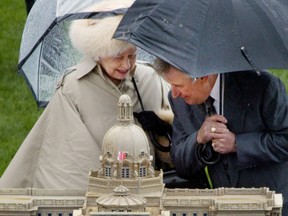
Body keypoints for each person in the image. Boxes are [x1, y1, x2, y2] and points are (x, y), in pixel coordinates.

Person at [0, 0, 173, 190]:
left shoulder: (149, 79)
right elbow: (69, 161)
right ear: (98, 52)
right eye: (117, 57)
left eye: (132, 55)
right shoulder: (73, 87)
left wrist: (163, 127)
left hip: (148, 191)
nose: (126, 65)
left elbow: (178, 150)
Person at [153, 58, 288, 214]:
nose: (174, 93)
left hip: (271, 205)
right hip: (223, 206)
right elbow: (181, 163)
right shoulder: (179, 101)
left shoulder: (263, 85)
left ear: (203, 77)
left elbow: (285, 139)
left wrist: (237, 144)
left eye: (178, 85)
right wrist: (198, 138)